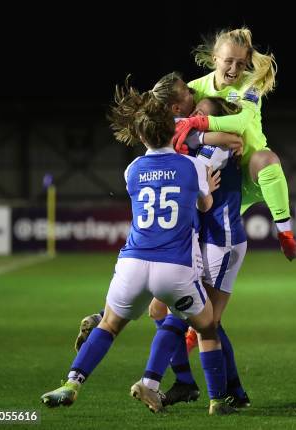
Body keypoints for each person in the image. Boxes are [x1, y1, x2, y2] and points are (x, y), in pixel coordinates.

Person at [40, 78, 237, 416]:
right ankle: (218, 400)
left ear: (142, 136)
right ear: (174, 129)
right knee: (205, 327)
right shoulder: (193, 166)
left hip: (132, 263)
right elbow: (204, 206)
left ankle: (72, 382)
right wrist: (207, 187)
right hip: (175, 268)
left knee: (110, 326)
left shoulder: (132, 171)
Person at [144, 94, 250, 409]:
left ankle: (178, 384)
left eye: (202, 114)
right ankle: (225, 392)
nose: (195, 117)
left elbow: (191, 173)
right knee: (194, 318)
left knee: (198, 319)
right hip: (206, 240)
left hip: (223, 239)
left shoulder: (215, 149)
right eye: (194, 112)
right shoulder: (195, 144)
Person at [169, 27, 296, 261]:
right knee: (196, 261)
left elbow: (240, 123)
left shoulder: (250, 87)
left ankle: (286, 236)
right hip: (218, 180)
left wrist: (198, 122)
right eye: (228, 61)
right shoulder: (195, 88)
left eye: (241, 63)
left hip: (250, 171)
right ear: (215, 59)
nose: (234, 69)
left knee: (267, 159)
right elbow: (172, 119)